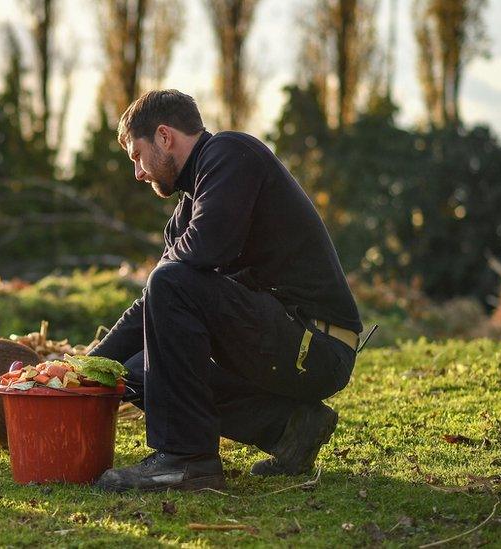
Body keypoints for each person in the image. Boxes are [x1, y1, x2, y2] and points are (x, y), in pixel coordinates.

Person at [90, 90, 362, 493]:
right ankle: (290, 428)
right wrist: (87, 368)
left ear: (164, 136)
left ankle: (186, 460)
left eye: (136, 155)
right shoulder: (188, 207)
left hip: (317, 344)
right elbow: (154, 303)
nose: (138, 173)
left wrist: (166, 273)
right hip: (277, 345)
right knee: (135, 371)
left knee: (170, 280)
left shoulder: (231, 154)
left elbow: (203, 253)